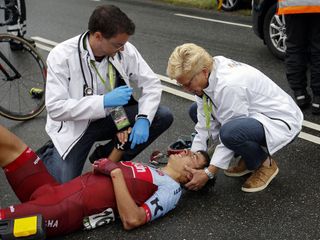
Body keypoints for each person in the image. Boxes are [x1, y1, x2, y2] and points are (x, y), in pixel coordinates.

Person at [0, 124, 209, 238]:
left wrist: (115, 173)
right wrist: (119, 149)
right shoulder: (152, 170)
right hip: (54, 191)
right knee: (7, 143)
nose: (187, 151)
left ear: (191, 175)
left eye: (194, 157)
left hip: (61, 210)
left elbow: (133, 219)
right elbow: (106, 170)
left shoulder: (171, 190)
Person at [42, 4, 173, 183]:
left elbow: (151, 84)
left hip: (115, 114)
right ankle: (51, 154)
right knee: (63, 187)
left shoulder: (124, 49)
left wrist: (143, 118)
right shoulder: (61, 56)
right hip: (75, 126)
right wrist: (103, 101)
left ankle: (105, 158)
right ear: (98, 36)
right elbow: (56, 109)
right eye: (118, 44)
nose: (123, 49)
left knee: (161, 115)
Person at [166, 43, 303, 193]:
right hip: (251, 115)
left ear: (204, 72)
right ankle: (249, 156)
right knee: (194, 110)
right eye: (181, 85)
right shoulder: (208, 70)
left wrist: (208, 173)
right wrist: (194, 157)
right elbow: (204, 124)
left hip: (281, 120)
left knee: (229, 133)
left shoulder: (228, 85)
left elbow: (228, 132)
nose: (186, 89)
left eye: (188, 84)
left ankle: (266, 164)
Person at [277, 0, 320, 114]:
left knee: (295, 47)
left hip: (293, 4)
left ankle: (299, 94)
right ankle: (318, 99)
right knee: (318, 49)